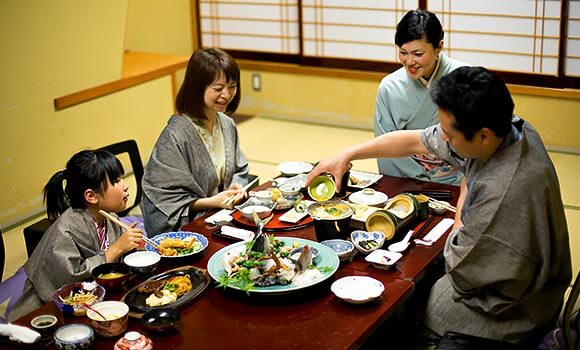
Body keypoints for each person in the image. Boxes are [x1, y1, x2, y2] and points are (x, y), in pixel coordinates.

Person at [308, 66, 571, 343]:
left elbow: (461, 272)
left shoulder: (502, 192)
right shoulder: (513, 128)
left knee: (397, 302)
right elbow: (416, 140)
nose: (443, 138)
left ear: (482, 135)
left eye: (450, 134)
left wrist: (463, 200)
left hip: (517, 308)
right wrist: (348, 154)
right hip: (527, 271)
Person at [9, 150, 144, 321]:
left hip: (94, 303)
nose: (125, 185)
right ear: (91, 196)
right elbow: (68, 283)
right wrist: (116, 249)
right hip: (46, 313)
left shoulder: (110, 218)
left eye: (122, 178)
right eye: (116, 181)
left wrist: (131, 249)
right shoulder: (63, 233)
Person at [142, 48, 250, 236]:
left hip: (223, 218)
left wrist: (236, 188)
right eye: (218, 88)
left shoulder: (226, 124)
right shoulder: (175, 136)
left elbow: (240, 170)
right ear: (197, 87)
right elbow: (162, 198)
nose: (227, 94)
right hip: (194, 228)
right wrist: (212, 202)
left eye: (232, 86)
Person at [375, 9, 467, 184]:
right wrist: (421, 180)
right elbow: (385, 144)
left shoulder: (464, 78)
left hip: (458, 177)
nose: (409, 62)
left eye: (418, 54)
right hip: (408, 178)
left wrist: (464, 180)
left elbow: (477, 141)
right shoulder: (389, 87)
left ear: (439, 46)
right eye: (403, 52)